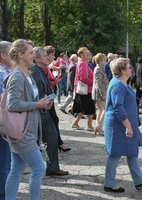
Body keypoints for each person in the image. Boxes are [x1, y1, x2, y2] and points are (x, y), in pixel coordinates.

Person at [4, 39, 49, 199]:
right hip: (22, 132)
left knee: (16, 169)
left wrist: (42, 104)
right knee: (39, 168)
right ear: (21, 55)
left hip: (25, 130)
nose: (33, 56)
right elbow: (13, 104)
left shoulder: (26, 74)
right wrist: (37, 104)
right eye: (30, 53)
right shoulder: (17, 77)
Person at [103, 58, 142, 193]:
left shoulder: (122, 83)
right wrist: (128, 126)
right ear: (121, 71)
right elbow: (118, 108)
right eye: (129, 67)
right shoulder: (117, 85)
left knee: (132, 152)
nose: (131, 69)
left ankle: (139, 181)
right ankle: (109, 184)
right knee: (114, 154)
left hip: (125, 124)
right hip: (118, 125)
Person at [30, 47, 69, 176]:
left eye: (47, 55)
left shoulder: (41, 70)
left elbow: (46, 88)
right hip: (39, 112)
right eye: (44, 56)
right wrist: (45, 101)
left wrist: (50, 98)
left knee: (52, 139)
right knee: (43, 140)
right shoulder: (34, 71)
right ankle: (42, 168)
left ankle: (51, 167)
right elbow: (34, 93)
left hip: (45, 111)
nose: (48, 58)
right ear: (36, 58)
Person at [71, 47, 95, 131]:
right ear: (81, 55)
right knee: (90, 109)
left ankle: (76, 123)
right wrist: (93, 82)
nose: (89, 55)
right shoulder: (82, 63)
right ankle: (89, 125)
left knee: (82, 109)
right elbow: (83, 78)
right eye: (86, 53)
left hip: (85, 90)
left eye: (89, 53)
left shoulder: (84, 62)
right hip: (85, 90)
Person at [0, 41, 12, 200]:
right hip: (3, 124)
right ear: (3, 55)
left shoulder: (8, 71)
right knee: (4, 164)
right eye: (11, 52)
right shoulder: (2, 73)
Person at [92, 53, 109, 135]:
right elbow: (99, 84)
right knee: (106, 109)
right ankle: (99, 127)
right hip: (100, 94)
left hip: (99, 93)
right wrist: (103, 94)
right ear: (100, 61)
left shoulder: (100, 68)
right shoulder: (98, 69)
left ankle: (98, 127)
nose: (105, 62)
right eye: (104, 60)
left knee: (100, 110)